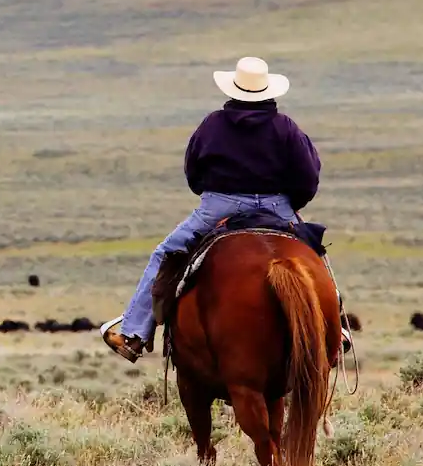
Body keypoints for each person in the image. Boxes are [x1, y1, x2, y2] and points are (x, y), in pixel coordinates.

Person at [100, 56, 334, 363]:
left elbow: (193, 172)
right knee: (314, 257)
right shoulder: (286, 128)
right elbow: (308, 176)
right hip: (277, 207)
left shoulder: (212, 125)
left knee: (164, 253)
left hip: (219, 205)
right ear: (268, 91)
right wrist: (291, 204)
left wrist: (214, 195)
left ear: (234, 89)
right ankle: (334, 332)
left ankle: (134, 334)